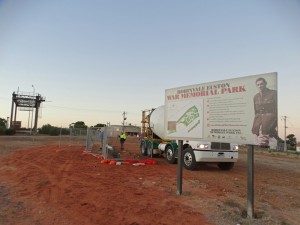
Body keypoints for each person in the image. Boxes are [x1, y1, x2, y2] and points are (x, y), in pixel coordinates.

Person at [251, 77, 278, 147]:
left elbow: (277, 110)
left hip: (269, 120)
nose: (260, 86)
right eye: (258, 85)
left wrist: (275, 123)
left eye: (261, 84)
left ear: (265, 84)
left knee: (264, 141)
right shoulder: (255, 97)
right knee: (256, 140)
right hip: (258, 122)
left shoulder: (273, 93)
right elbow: (255, 111)